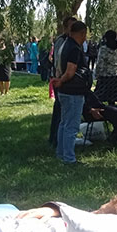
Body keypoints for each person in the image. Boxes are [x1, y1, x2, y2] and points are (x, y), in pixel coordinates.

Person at [52, 21, 89, 164]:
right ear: (82, 33)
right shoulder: (74, 48)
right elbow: (70, 71)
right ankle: (69, 158)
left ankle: (61, 152)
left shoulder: (65, 44)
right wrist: (61, 80)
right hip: (73, 91)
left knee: (64, 123)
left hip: (64, 92)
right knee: (71, 126)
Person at [48, 16, 77, 147]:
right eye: (72, 26)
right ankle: (55, 139)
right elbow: (58, 62)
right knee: (60, 110)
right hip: (61, 79)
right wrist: (62, 78)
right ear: (66, 27)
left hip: (67, 80)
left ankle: (57, 139)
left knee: (63, 111)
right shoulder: (62, 40)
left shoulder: (72, 40)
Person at [94, 30, 117, 106]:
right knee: (112, 98)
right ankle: (112, 109)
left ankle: (101, 111)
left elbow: (100, 63)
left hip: (105, 76)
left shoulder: (103, 49)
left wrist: (97, 74)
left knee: (99, 97)